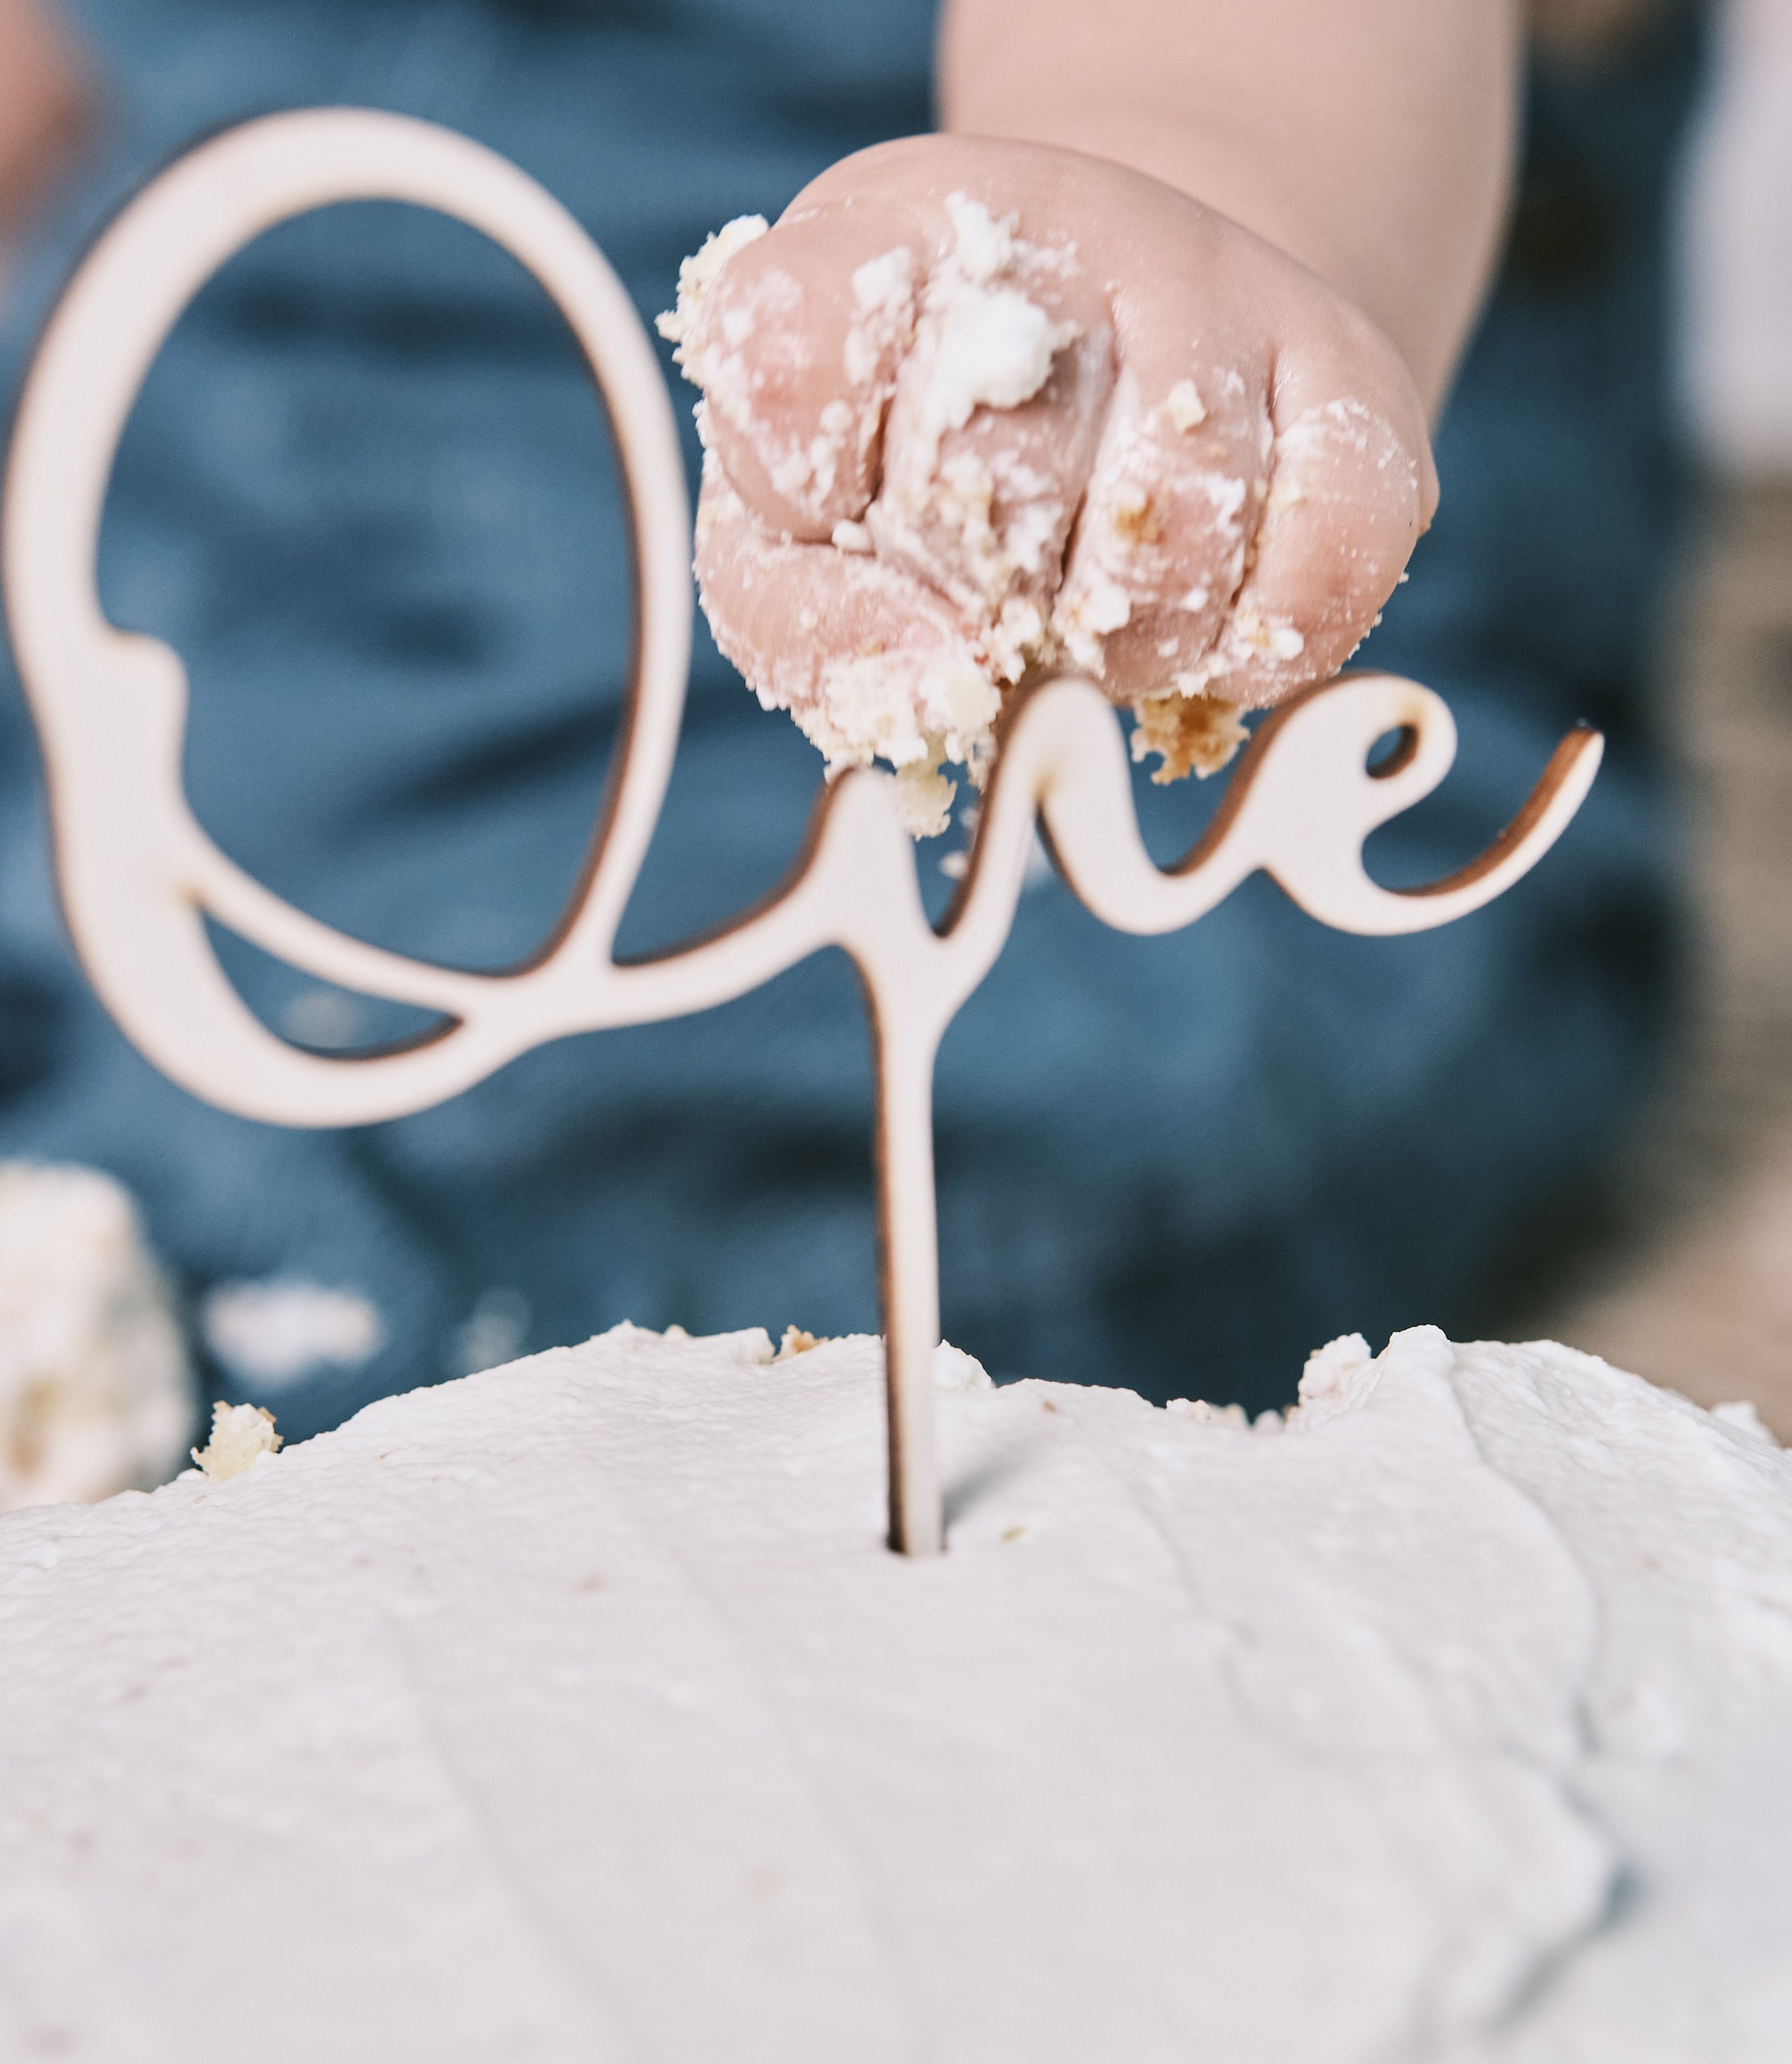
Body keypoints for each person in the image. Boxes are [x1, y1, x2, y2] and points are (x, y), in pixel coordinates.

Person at [0, 0, 1703, 1433]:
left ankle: (230, 1343)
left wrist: (1152, 216)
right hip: (192, 459)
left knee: (677, 1146)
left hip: (1050, 590)